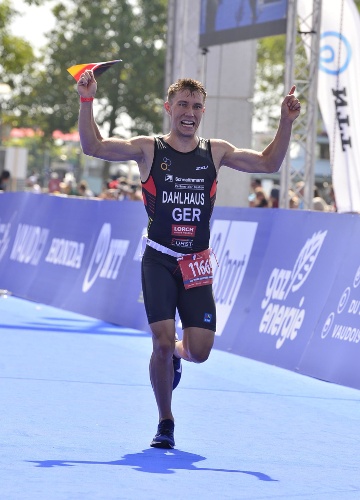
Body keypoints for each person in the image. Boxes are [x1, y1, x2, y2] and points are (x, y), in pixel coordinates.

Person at [76, 70, 301, 449]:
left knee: (198, 351)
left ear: (202, 113)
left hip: (196, 262)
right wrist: (86, 101)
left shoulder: (216, 152)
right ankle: (166, 421)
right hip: (160, 259)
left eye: (197, 106)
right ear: (169, 108)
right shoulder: (149, 149)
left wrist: (285, 121)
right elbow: (93, 146)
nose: (189, 112)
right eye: (182, 104)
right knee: (160, 343)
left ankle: (179, 354)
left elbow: (268, 164)